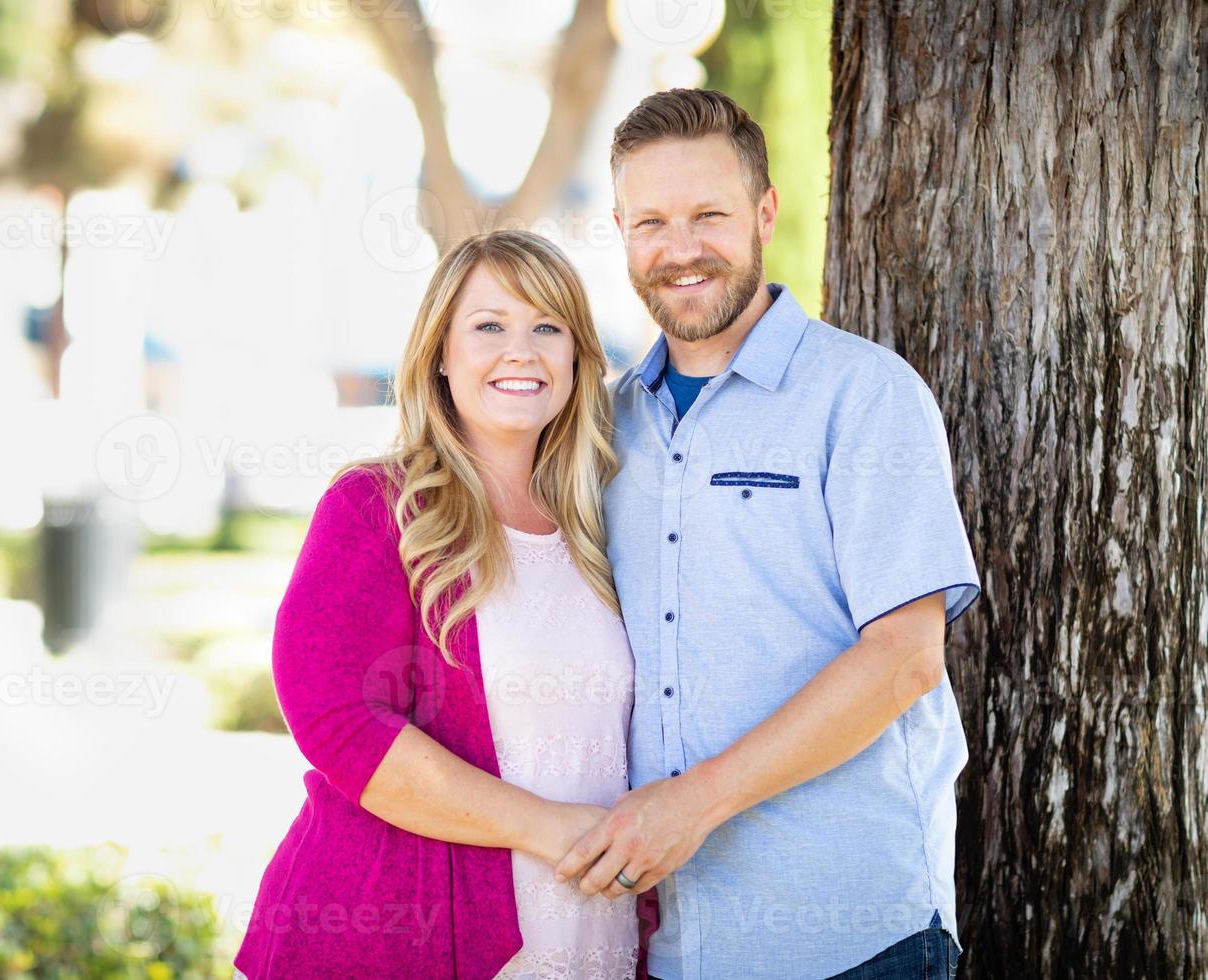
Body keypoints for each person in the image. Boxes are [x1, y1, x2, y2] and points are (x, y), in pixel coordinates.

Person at [552, 87, 981, 980]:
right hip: (674, 948)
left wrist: (694, 805)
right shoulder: (604, 428)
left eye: (709, 214)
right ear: (622, 231)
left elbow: (905, 658)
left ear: (764, 213)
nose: (681, 250)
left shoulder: (865, 396)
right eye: (651, 222)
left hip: (858, 939)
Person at [233, 229, 641, 979]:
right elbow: (335, 717)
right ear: (440, 355)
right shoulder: (377, 508)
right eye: (489, 326)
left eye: (546, 327)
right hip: (400, 935)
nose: (521, 350)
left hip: (590, 933)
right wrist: (548, 830)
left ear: (578, 357)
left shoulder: (605, 524)